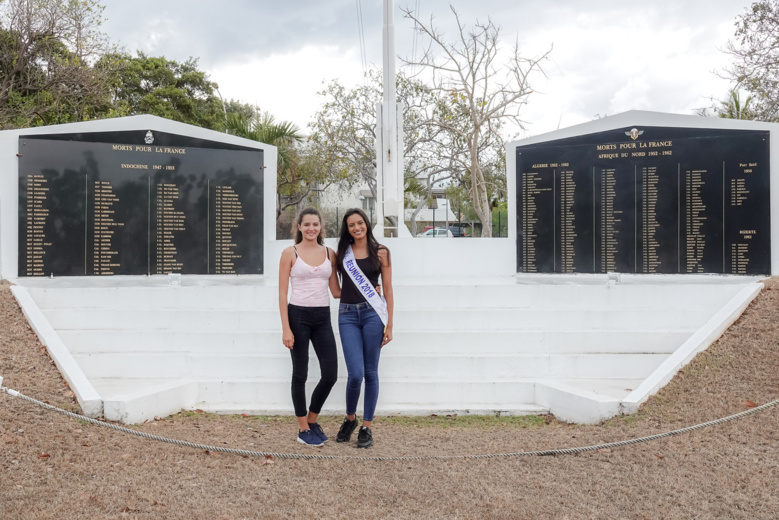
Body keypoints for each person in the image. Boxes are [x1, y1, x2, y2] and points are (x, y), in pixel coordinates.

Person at [278, 208, 340, 447]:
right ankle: (303, 429)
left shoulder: (329, 253)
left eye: (315, 224)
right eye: (307, 225)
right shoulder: (289, 253)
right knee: (300, 374)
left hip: (322, 317)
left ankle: (312, 420)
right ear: (299, 227)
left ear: (321, 227)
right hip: (298, 316)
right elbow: (282, 293)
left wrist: (368, 293)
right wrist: (286, 328)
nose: (311, 228)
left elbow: (335, 292)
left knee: (330, 374)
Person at [335, 208, 394, 448]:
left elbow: (388, 289)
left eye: (360, 223)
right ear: (346, 229)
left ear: (367, 224)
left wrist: (390, 323)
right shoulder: (341, 253)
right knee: (355, 374)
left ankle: (366, 427)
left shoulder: (381, 252)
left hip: (373, 315)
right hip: (347, 315)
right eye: (351, 225)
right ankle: (350, 419)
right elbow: (336, 289)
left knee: (371, 372)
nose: (357, 227)